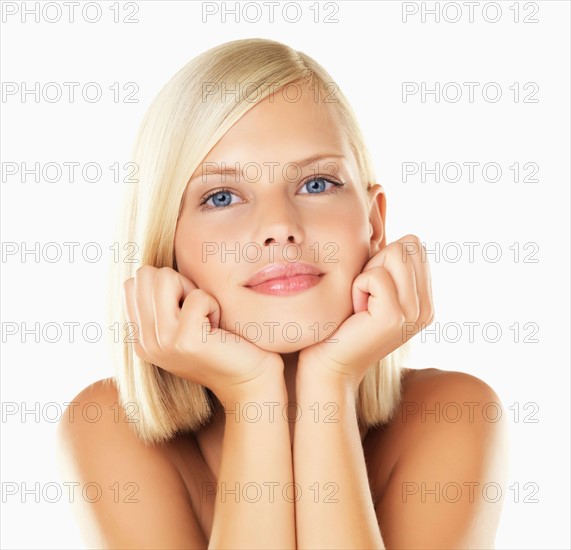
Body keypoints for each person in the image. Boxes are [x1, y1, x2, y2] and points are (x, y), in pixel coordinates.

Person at [57, 38, 508, 549]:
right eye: (221, 196)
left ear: (375, 222)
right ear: (165, 247)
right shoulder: (110, 426)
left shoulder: (453, 412)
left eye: (316, 184)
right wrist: (253, 395)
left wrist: (329, 384)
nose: (279, 226)